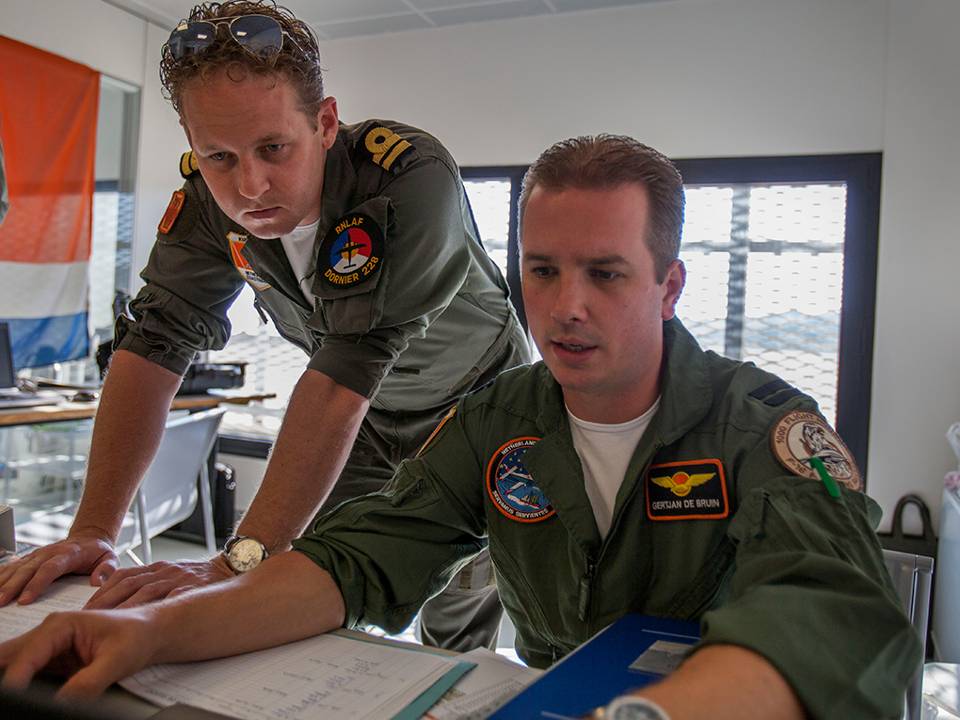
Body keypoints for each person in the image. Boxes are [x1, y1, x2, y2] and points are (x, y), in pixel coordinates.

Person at [0, 135, 919, 720]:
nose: (566, 307)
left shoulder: (765, 428)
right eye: (542, 271)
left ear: (669, 286)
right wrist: (156, 631)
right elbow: (355, 561)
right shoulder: (499, 419)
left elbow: (834, 615)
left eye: (605, 274)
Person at [0, 0, 529, 652]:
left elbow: (345, 369)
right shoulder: (206, 203)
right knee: (304, 589)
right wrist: (92, 532)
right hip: (366, 419)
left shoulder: (405, 176)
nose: (250, 185)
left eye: (274, 148)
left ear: (325, 123)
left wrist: (235, 562)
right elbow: (154, 346)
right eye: (218, 155)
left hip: (474, 408)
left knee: (453, 607)